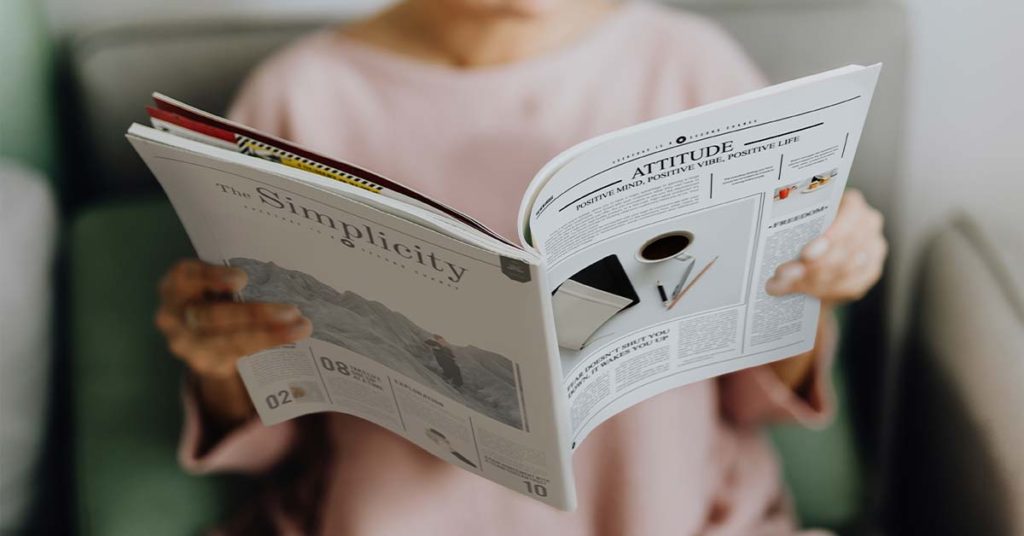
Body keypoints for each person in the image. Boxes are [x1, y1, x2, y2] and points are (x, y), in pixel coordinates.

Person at [154, 0, 888, 534]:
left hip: (679, 515)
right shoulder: (297, 96)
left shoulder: (691, 64)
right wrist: (221, 360)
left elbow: (758, 400)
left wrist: (814, 284)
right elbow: (275, 431)